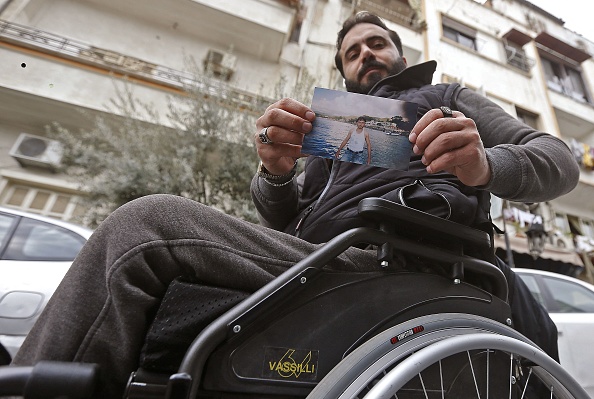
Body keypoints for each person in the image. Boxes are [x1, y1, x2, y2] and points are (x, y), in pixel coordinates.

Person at [12, 11, 579, 398]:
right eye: (353, 52)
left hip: (395, 256)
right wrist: (275, 171)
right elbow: (282, 217)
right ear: (344, 71)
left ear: (400, 52)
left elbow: (557, 158)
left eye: (376, 43)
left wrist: (483, 165)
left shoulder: (442, 97)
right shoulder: (339, 124)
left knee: (145, 231)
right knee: (156, 243)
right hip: (316, 253)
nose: (366, 55)